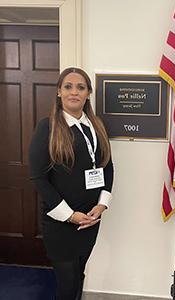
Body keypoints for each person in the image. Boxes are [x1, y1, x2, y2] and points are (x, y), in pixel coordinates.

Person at [29, 67, 113, 300]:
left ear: (88, 93)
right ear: (59, 92)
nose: (74, 92)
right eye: (68, 87)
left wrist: (102, 205)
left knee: (80, 275)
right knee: (67, 284)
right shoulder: (47, 127)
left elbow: (107, 167)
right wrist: (70, 215)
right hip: (60, 223)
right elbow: (39, 178)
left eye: (80, 87)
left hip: (90, 219)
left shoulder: (97, 126)